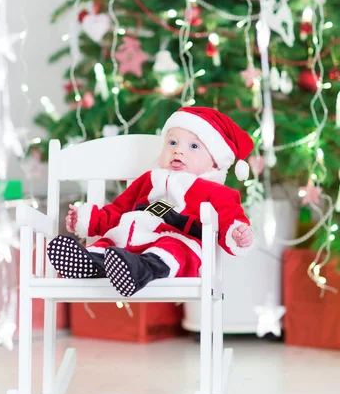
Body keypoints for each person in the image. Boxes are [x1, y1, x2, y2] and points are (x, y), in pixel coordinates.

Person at [47, 106, 254, 297]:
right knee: (107, 244)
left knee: (171, 247)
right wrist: (87, 219)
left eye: (193, 146)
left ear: (215, 163)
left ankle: (140, 270)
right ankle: (90, 262)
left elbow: (229, 217)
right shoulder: (148, 179)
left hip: (178, 241)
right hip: (127, 243)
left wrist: (237, 233)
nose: (178, 150)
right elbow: (118, 210)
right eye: (172, 142)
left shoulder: (215, 191)